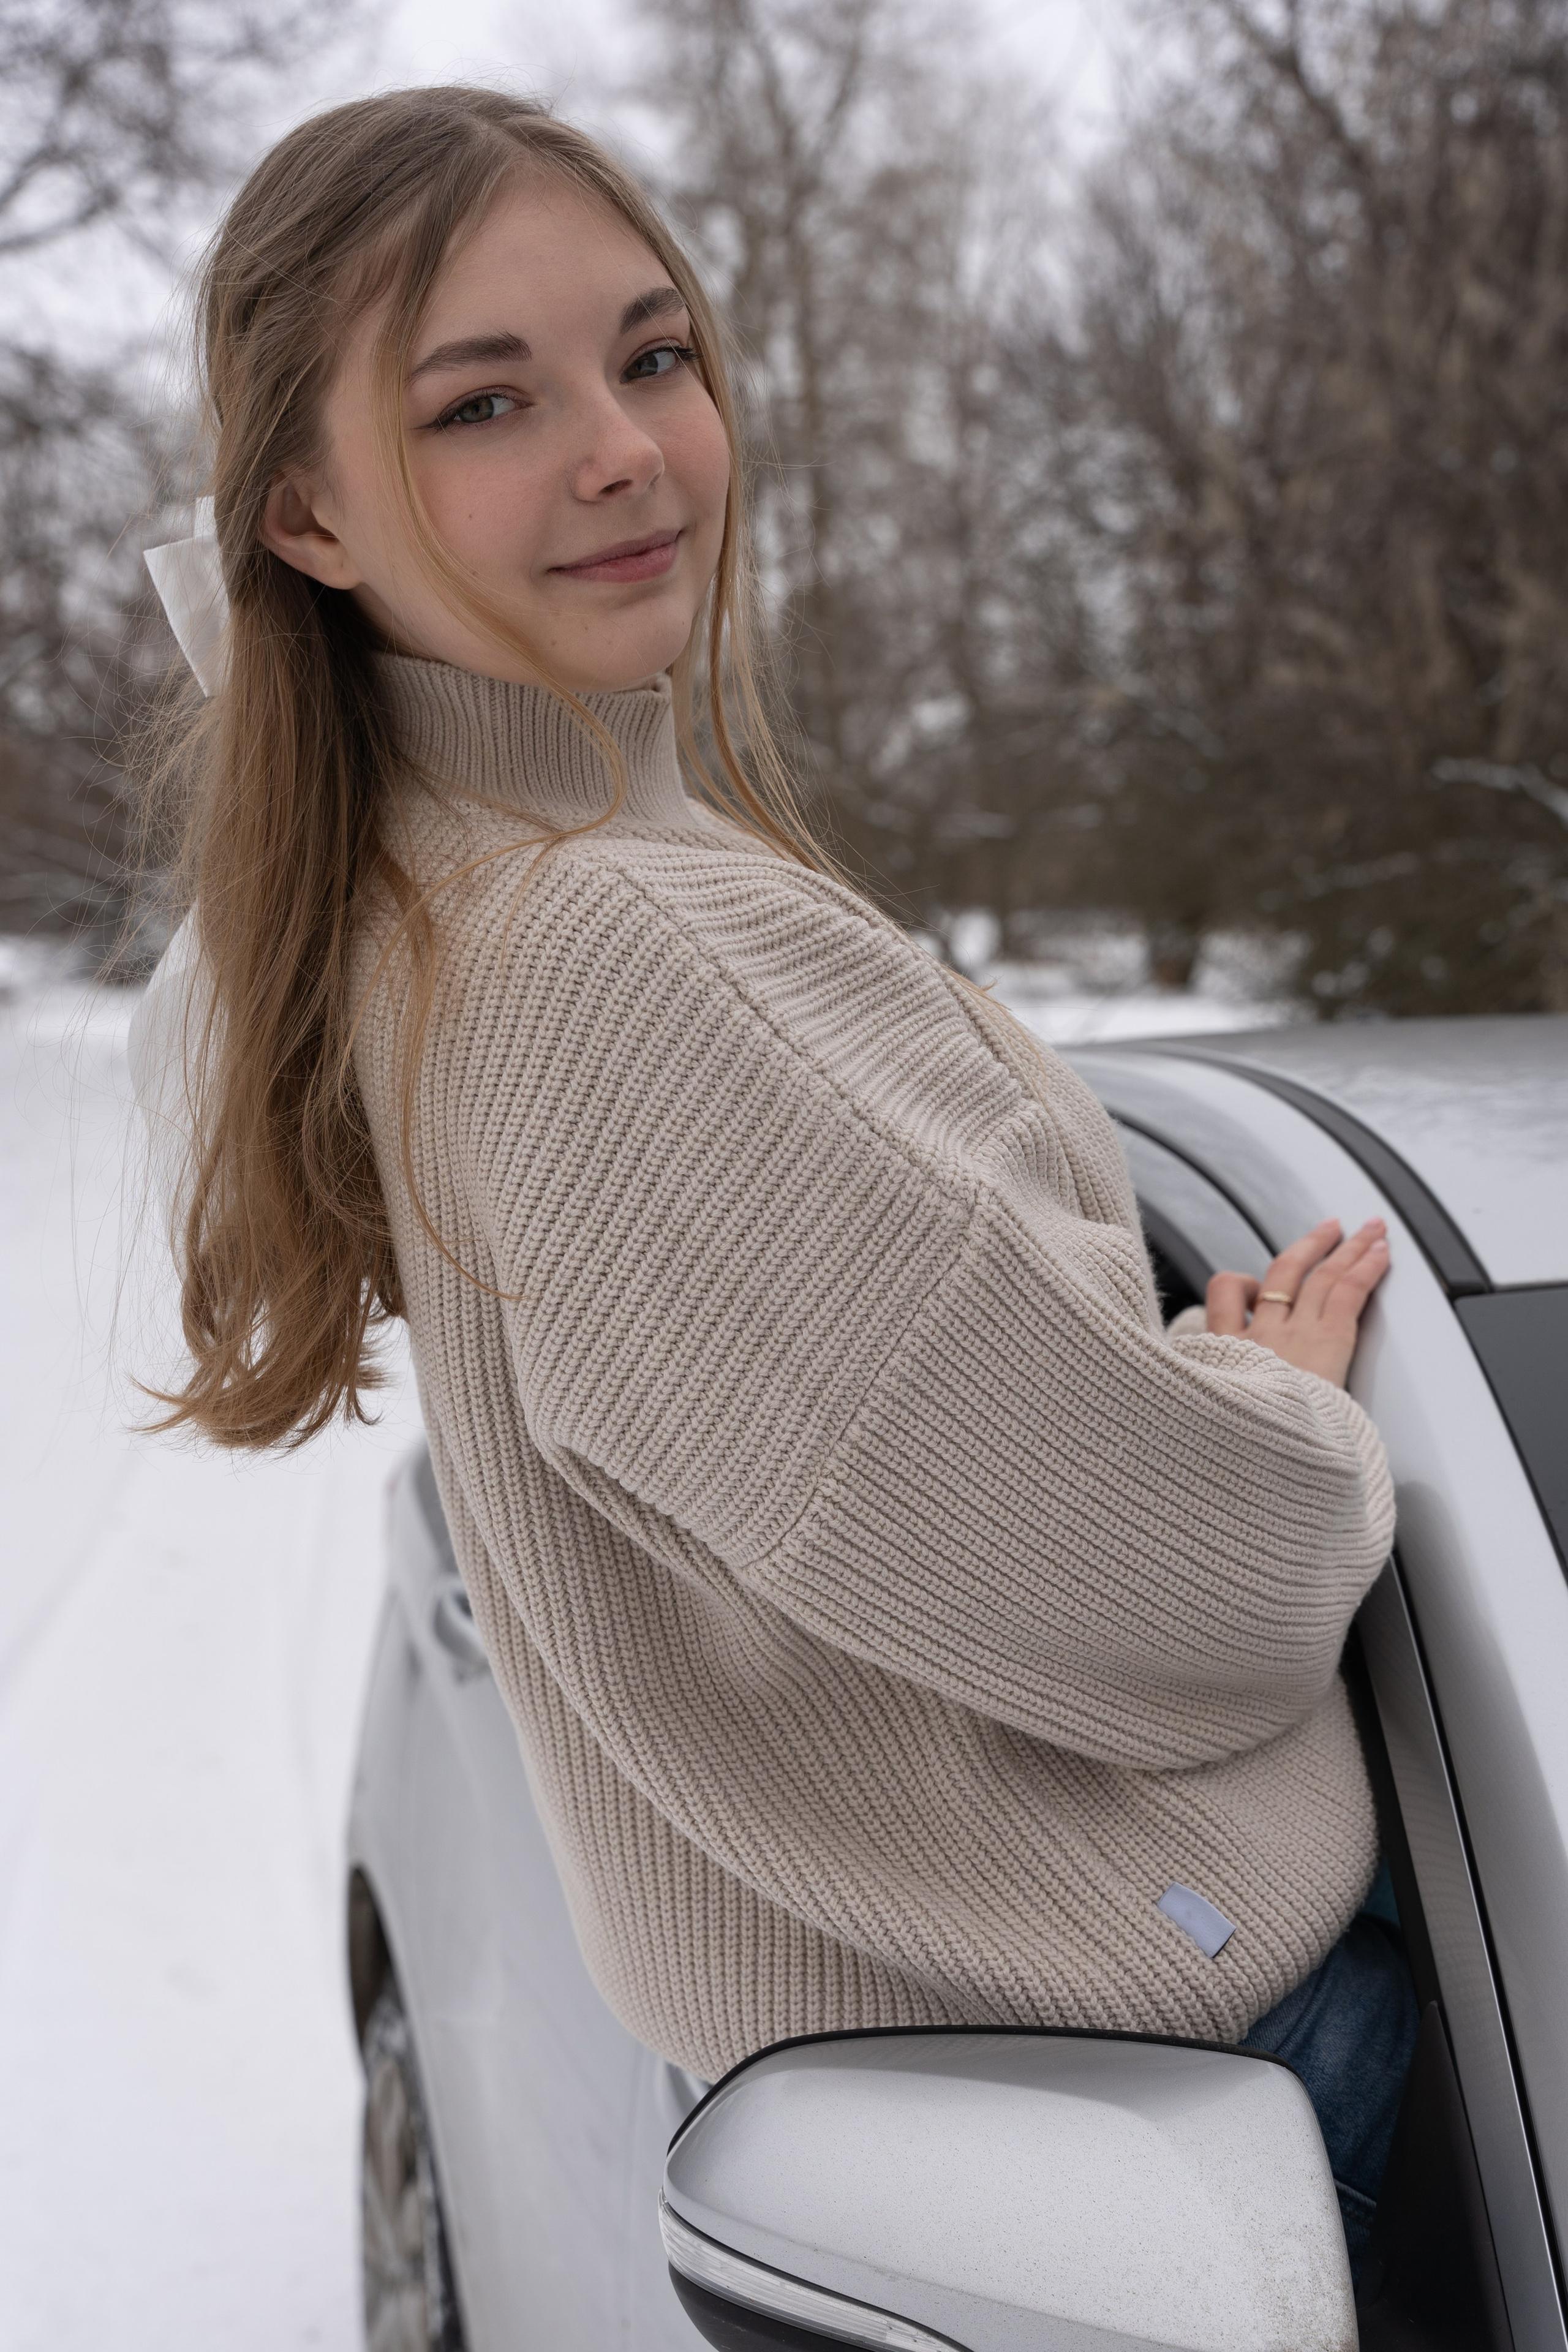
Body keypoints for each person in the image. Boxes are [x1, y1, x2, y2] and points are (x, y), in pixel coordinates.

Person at [135, 86, 1412, 2264]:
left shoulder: (475, 892)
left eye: (652, 356)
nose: (625, 446)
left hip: (1003, 2068)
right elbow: (1193, 1590)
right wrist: (1280, 1408)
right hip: (1199, 2059)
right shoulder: (602, 960)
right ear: (310, 519)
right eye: (484, 403)